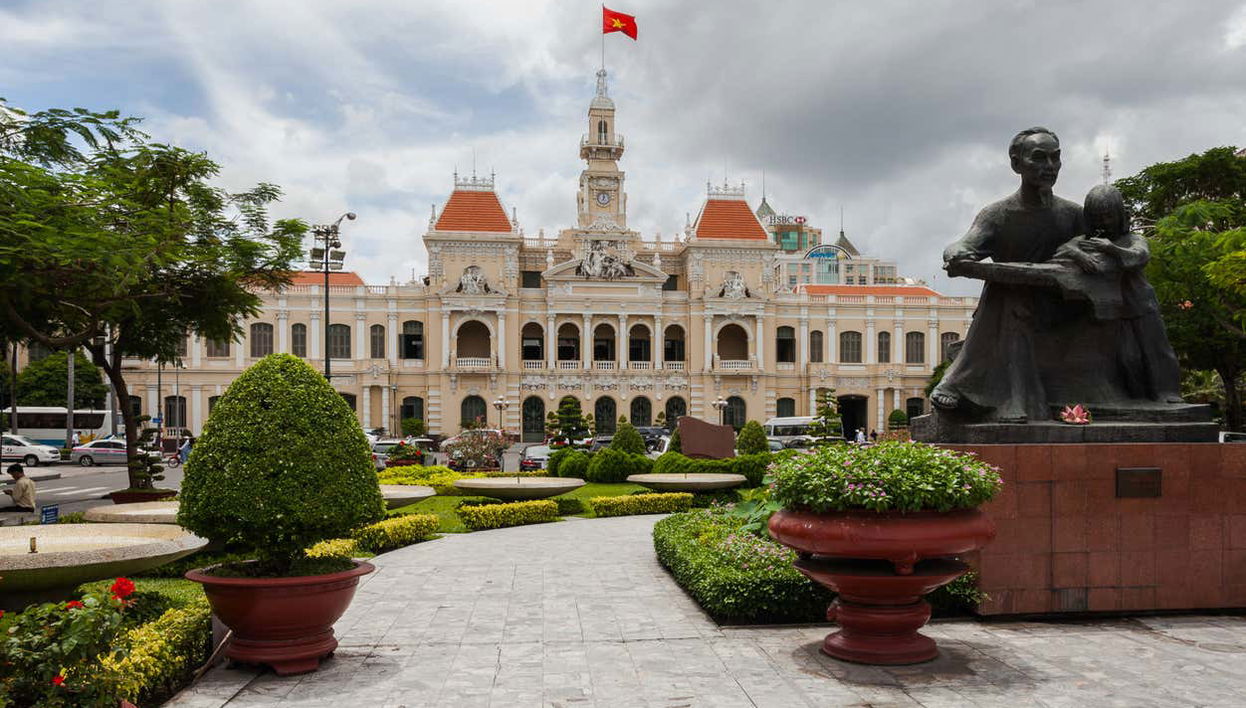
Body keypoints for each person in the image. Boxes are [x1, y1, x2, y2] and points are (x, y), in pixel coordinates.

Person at [932, 127, 1085, 422]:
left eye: (1055, 158)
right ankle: (1005, 398)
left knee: (1010, 298)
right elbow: (967, 243)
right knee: (1009, 295)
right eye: (1039, 158)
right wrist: (956, 252)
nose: (1049, 167)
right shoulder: (998, 214)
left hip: (1064, 306)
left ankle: (966, 385)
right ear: (1017, 164)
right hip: (1009, 307)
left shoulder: (1073, 215)